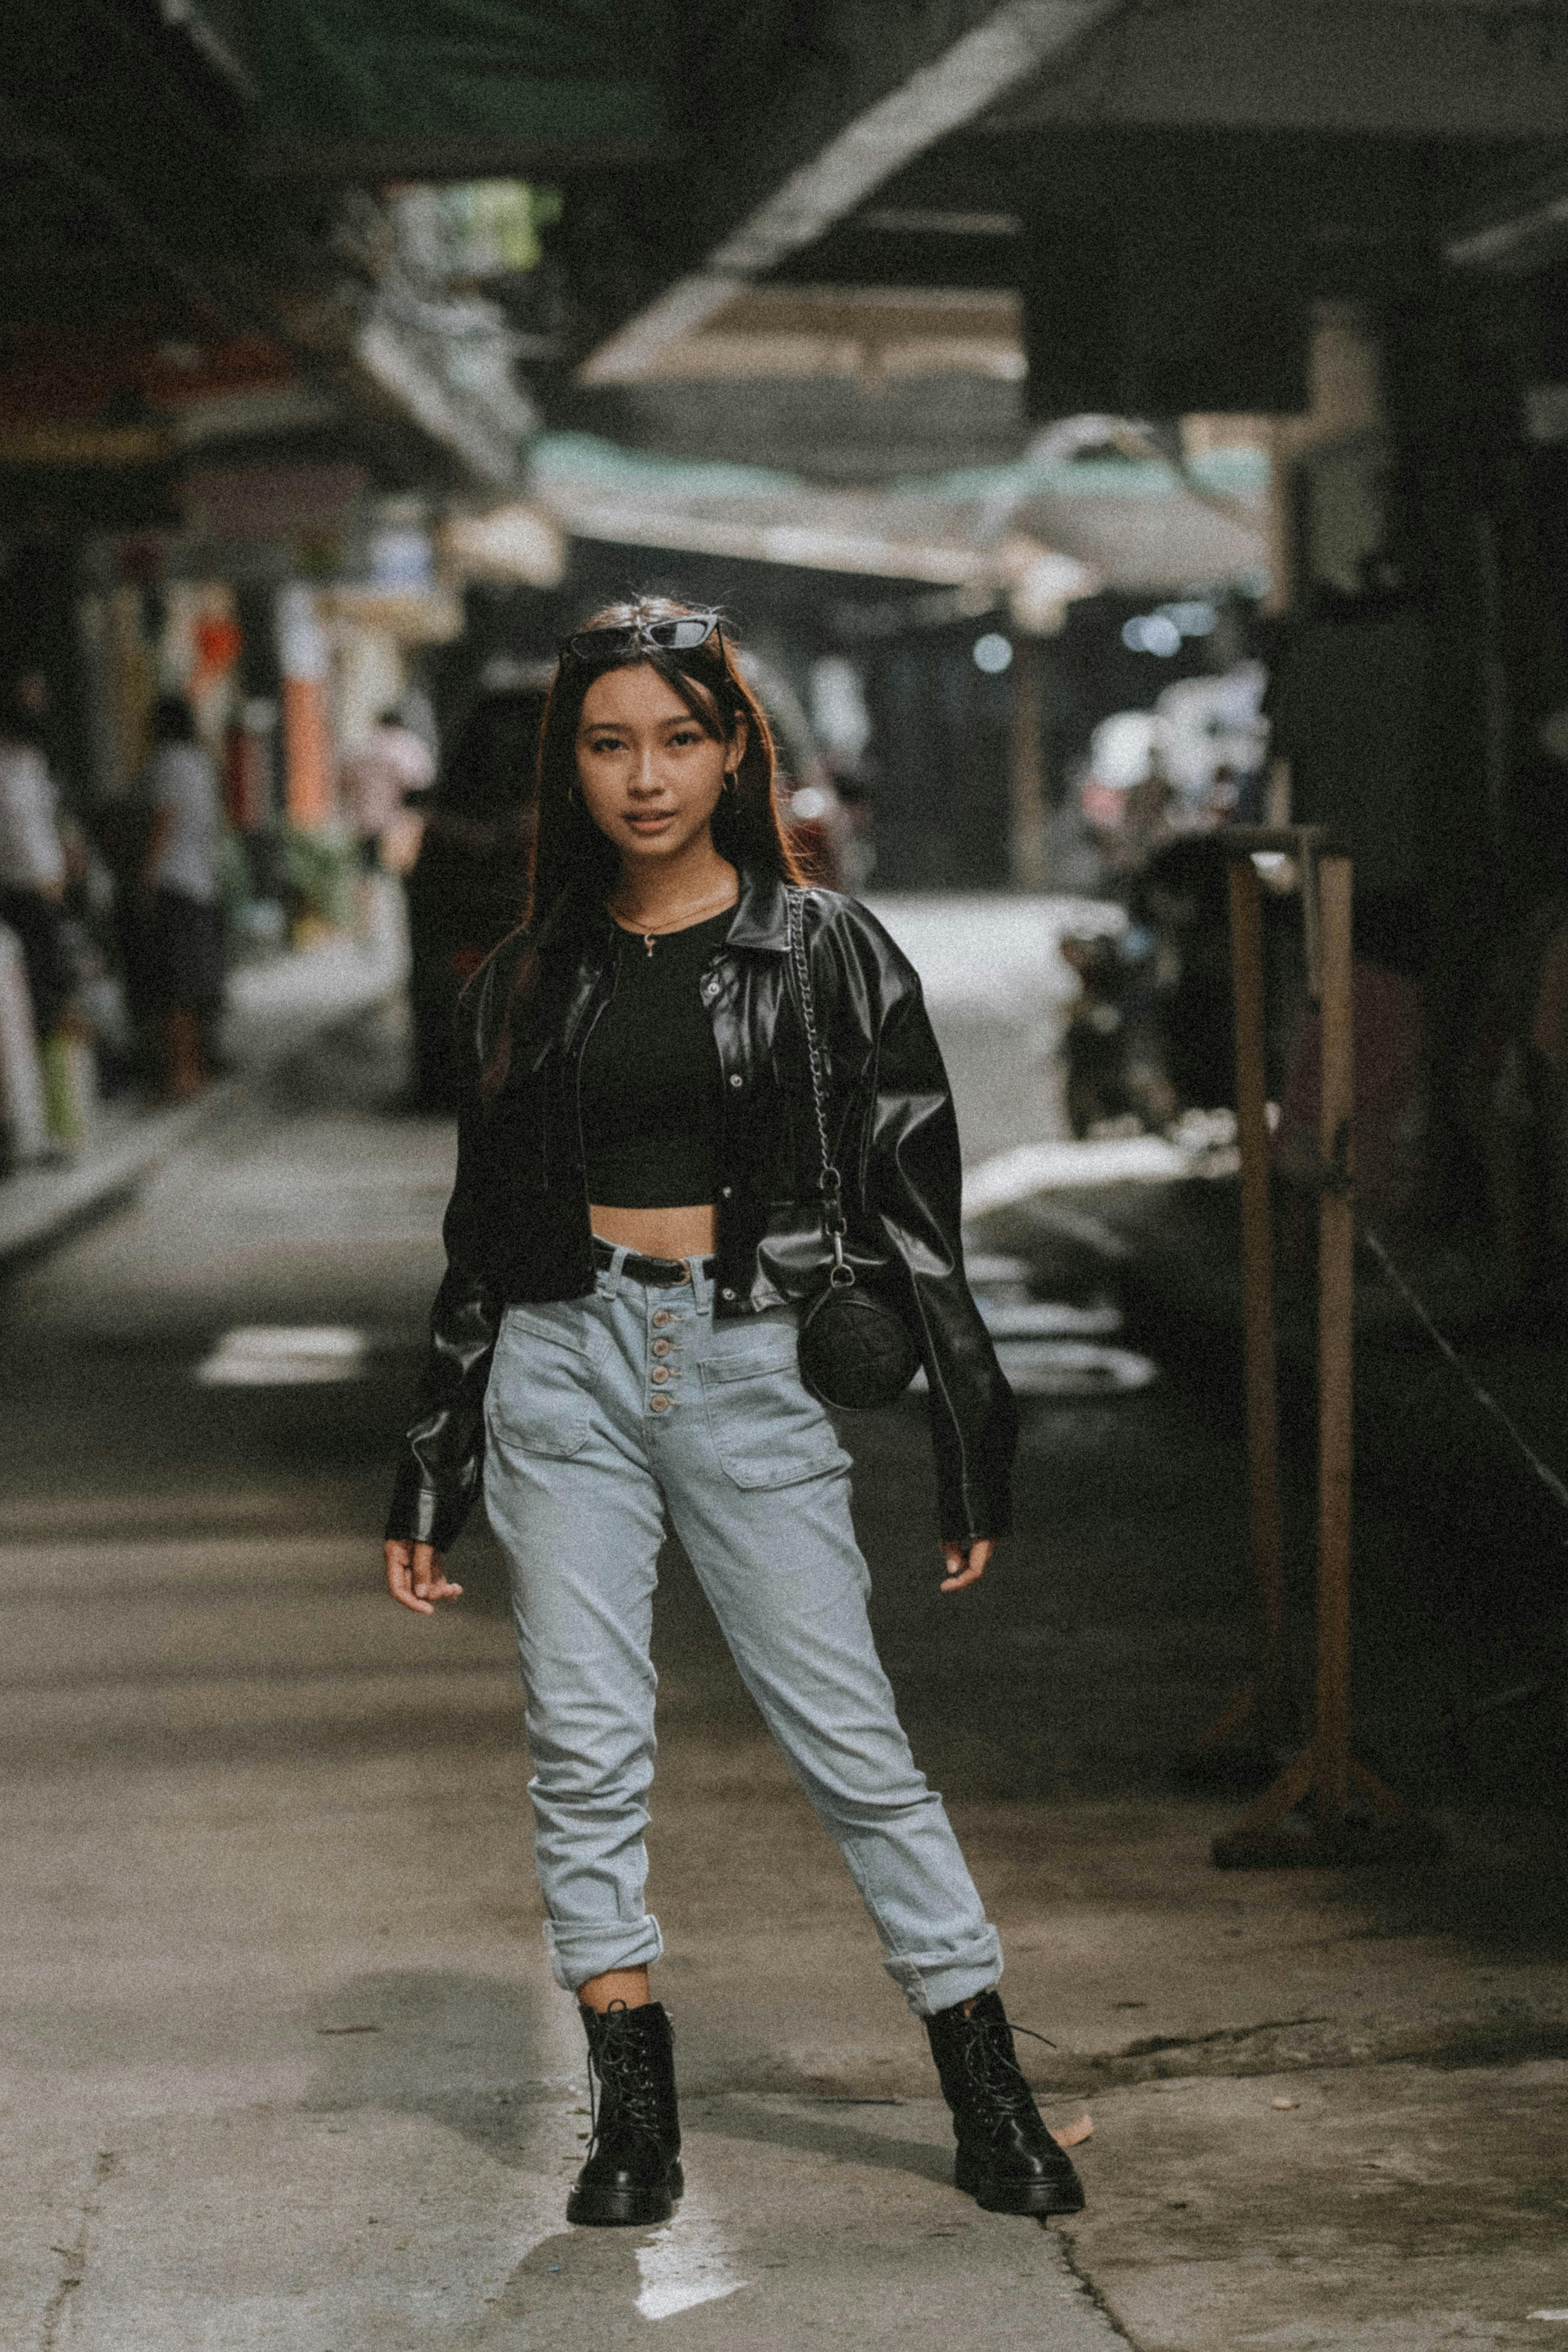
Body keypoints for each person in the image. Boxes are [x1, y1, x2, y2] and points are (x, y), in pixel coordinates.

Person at [383, 598, 1085, 2231]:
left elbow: (919, 1216)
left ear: (730, 751)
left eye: (679, 740)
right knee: (584, 1745)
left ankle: (986, 2085)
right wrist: (432, 1464)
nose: (647, 776)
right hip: (561, 1366)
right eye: (611, 741)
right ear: (570, 763)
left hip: (749, 1366)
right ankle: (633, 2116)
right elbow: (480, 1236)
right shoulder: (525, 979)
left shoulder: (826, 950)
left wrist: (971, 1441)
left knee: (850, 1741)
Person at [136, 694, 224, 1101]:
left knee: (175, 986)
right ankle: (195, 1070)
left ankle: (181, 1074)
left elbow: (163, 820)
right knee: (192, 984)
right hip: (202, 881)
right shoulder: (199, 763)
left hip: (175, 883)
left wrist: (146, 878)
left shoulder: (168, 763)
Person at [0, 673, 73, 1047]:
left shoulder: (36, 760)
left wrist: (62, 864)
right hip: (20, 889)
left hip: (49, 887)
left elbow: (47, 822)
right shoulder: (6, 765)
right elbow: (18, 831)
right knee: (35, 987)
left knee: (56, 979)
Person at [339, 705, 434, 871]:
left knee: (359, 863)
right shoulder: (409, 747)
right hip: (391, 819)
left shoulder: (366, 743)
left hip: (361, 816)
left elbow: (346, 775)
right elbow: (423, 783)